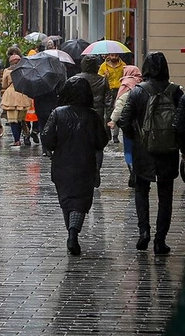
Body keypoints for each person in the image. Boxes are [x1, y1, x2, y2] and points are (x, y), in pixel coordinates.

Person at [118, 51, 183, 255]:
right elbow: (181, 124)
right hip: (168, 150)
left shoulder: (138, 91)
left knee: (141, 189)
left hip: (143, 149)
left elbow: (123, 120)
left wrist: (136, 137)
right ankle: (160, 240)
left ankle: (143, 231)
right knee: (166, 195)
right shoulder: (176, 92)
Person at [41, 76, 109, 255]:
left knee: (67, 200)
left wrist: (55, 145)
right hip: (85, 164)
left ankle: (71, 233)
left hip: (62, 164)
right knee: (80, 201)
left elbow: (47, 137)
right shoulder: (92, 115)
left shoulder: (58, 113)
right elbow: (102, 140)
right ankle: (73, 233)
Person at [77, 54, 110, 187]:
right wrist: (109, 120)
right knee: (98, 146)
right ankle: (96, 169)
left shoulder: (76, 79)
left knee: (81, 145)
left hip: (79, 117)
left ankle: (84, 171)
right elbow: (108, 102)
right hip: (98, 116)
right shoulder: (103, 81)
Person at [108, 65, 143, 187]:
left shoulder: (126, 84)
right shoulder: (141, 84)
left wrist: (113, 120)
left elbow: (120, 105)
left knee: (128, 149)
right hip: (141, 124)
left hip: (128, 124)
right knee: (139, 148)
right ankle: (138, 170)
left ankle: (132, 169)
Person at [1, 54, 33, 146]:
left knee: (13, 120)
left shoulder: (7, 71)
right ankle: (26, 135)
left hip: (10, 95)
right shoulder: (25, 70)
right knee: (22, 119)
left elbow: (4, 84)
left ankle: (17, 140)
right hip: (22, 94)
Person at [99, 53, 127, 143]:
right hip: (109, 91)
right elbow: (99, 78)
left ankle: (115, 135)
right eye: (112, 55)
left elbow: (126, 77)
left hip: (120, 90)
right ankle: (107, 135)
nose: (114, 57)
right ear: (109, 56)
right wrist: (105, 76)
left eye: (116, 55)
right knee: (108, 113)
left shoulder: (123, 65)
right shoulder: (104, 66)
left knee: (118, 111)